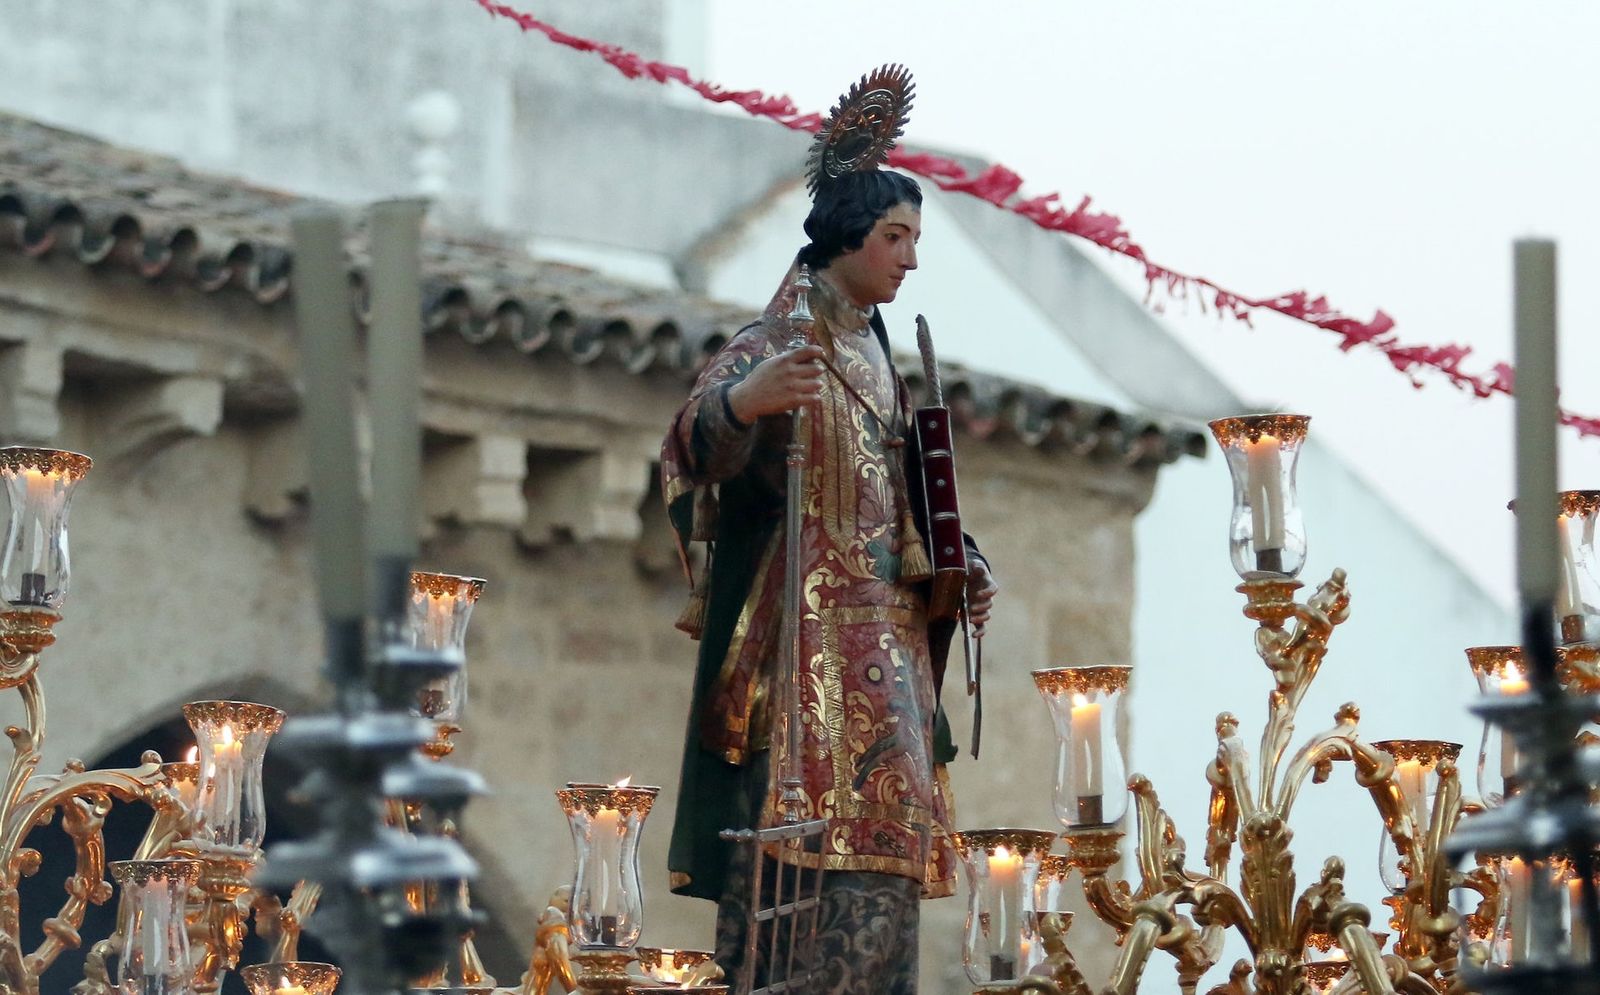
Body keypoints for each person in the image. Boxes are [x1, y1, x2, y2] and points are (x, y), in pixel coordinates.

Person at [659, 67, 997, 994]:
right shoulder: (777, 345)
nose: (910, 260)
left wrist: (955, 563)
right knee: (795, 886)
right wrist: (741, 406)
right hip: (801, 662)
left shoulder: (883, 361)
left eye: (914, 240)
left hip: (890, 653)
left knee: (881, 885)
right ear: (846, 233)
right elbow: (690, 454)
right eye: (896, 237)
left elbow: (904, 503)